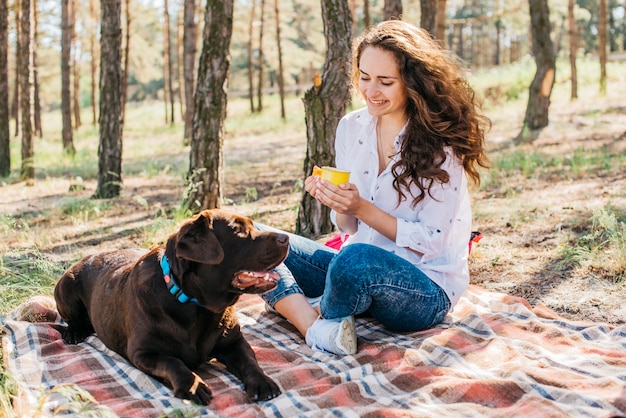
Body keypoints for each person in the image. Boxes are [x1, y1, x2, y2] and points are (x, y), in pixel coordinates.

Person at [259, 20, 490, 356]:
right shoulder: (352, 127)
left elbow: (431, 240)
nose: (370, 91)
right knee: (257, 241)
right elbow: (350, 228)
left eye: (385, 81)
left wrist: (361, 208)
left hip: (425, 286)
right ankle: (315, 325)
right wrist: (338, 202)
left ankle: (308, 306)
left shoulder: (442, 146)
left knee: (354, 260)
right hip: (356, 263)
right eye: (364, 77)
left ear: (413, 83)